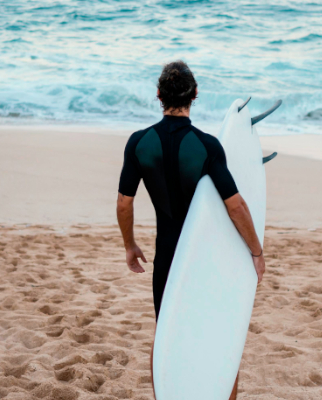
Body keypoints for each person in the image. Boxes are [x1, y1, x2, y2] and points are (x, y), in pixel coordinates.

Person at [116, 60, 265, 400]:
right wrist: (256, 251)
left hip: (167, 258)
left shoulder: (138, 143)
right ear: (195, 94)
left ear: (158, 95)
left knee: (167, 337)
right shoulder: (209, 146)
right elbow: (236, 205)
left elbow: (124, 203)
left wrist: (130, 245)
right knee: (219, 339)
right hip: (204, 257)